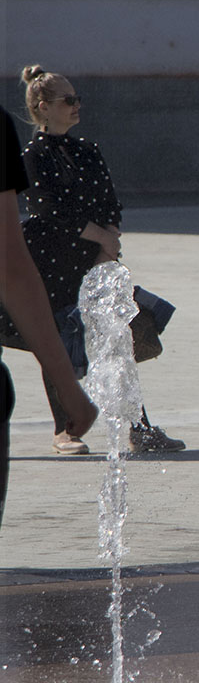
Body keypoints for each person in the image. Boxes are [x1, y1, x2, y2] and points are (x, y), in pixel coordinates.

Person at [5, 65, 183, 455]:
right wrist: (100, 236)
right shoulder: (32, 154)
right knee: (56, 342)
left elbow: (109, 202)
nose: (75, 105)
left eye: (77, 98)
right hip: (49, 262)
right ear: (42, 107)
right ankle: (64, 431)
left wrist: (108, 243)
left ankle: (139, 427)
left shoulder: (88, 149)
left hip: (93, 259)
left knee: (116, 337)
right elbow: (48, 210)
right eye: (67, 100)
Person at [1, 104, 98, 526]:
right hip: (52, 259)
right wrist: (70, 390)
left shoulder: (86, 150)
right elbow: (9, 262)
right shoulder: (24, 145)